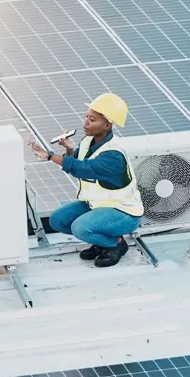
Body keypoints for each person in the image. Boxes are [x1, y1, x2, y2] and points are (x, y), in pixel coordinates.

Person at [26, 93, 143, 268]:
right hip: (97, 205)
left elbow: (83, 168)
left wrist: (50, 155)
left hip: (123, 212)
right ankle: (101, 242)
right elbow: (77, 166)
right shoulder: (89, 141)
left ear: (107, 125)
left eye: (93, 119)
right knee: (58, 220)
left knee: (80, 228)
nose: (86, 122)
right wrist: (70, 150)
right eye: (86, 116)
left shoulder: (113, 155)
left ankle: (116, 243)